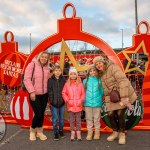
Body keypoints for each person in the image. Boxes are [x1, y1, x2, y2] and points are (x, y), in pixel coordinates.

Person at [93, 56, 137, 145]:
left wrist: (124, 96)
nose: (98, 65)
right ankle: (115, 132)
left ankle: (122, 133)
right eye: (96, 64)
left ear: (104, 62)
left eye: (99, 63)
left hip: (122, 93)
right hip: (112, 97)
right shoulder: (100, 74)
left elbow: (123, 81)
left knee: (120, 113)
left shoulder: (113, 67)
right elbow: (104, 88)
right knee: (110, 114)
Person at [24, 51, 50, 141]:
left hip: (44, 94)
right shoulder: (32, 64)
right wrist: (31, 91)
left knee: (41, 114)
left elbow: (48, 80)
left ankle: (39, 132)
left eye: (46, 57)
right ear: (39, 56)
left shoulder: (47, 67)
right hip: (34, 94)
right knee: (38, 113)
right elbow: (26, 79)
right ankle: (32, 130)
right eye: (42, 56)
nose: (44, 58)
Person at [62, 67, 85, 141]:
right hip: (71, 105)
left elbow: (83, 93)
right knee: (71, 120)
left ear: (77, 75)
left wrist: (80, 100)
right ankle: (72, 132)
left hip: (78, 105)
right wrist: (67, 100)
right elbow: (64, 93)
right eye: (71, 74)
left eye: (74, 74)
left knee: (78, 120)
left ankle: (78, 132)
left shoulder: (80, 84)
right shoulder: (67, 84)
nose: (73, 75)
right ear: (69, 75)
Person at [83, 64, 104, 141]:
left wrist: (98, 99)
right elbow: (84, 92)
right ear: (88, 72)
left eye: (94, 70)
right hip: (87, 103)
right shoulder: (85, 81)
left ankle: (97, 132)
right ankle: (90, 132)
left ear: (96, 71)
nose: (92, 72)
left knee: (96, 118)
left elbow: (102, 92)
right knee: (88, 118)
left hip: (97, 102)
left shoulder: (99, 80)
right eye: (90, 71)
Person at [47, 66, 66, 141]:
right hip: (54, 103)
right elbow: (49, 91)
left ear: (61, 72)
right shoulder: (50, 80)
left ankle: (61, 131)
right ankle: (55, 132)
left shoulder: (63, 79)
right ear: (53, 72)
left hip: (62, 102)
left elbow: (65, 90)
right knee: (55, 119)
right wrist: (51, 100)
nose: (57, 72)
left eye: (59, 70)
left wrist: (64, 100)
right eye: (56, 70)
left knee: (61, 119)